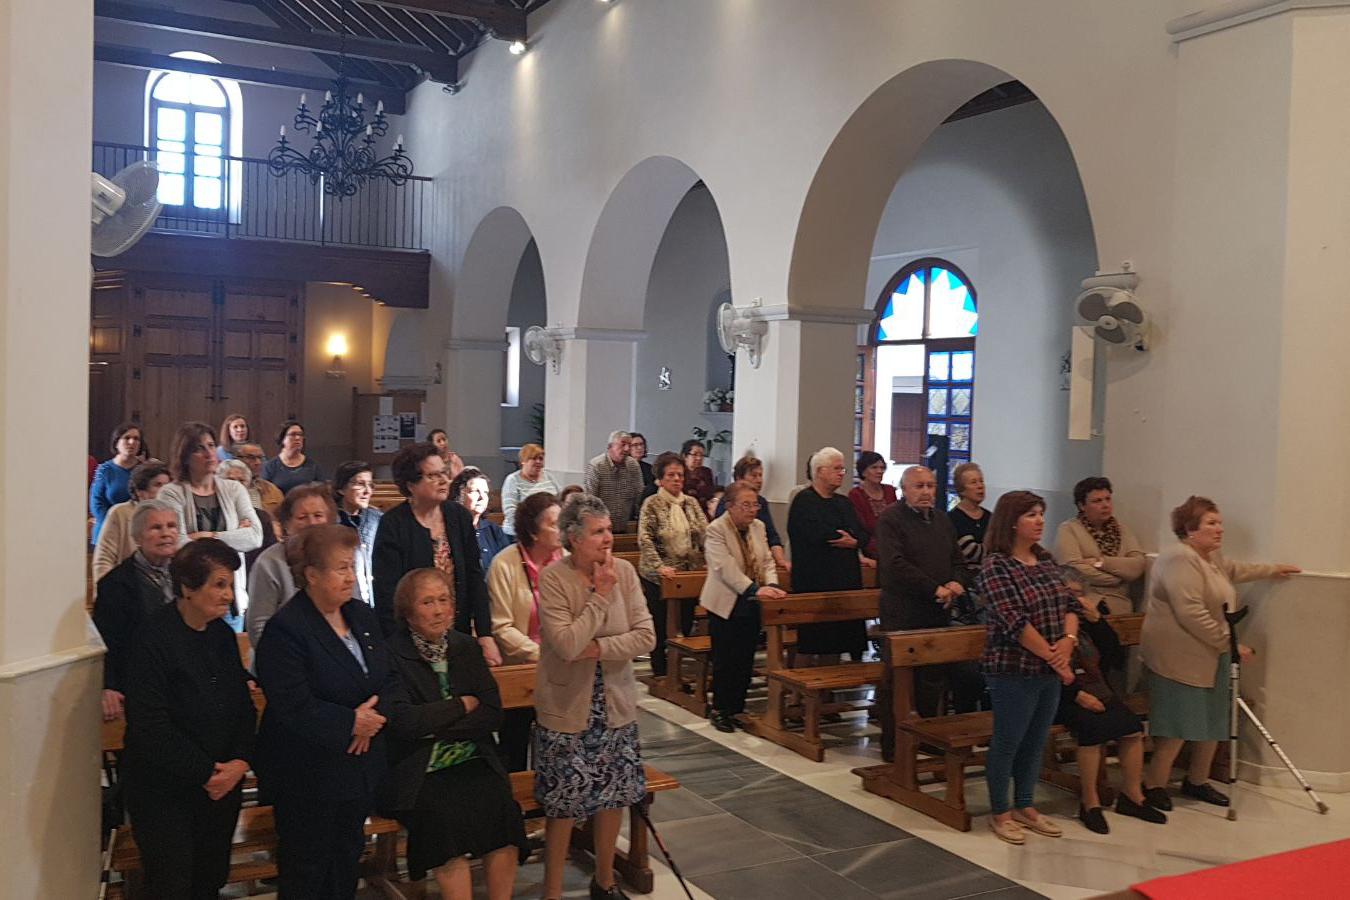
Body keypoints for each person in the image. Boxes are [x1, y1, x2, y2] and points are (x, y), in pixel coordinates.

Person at [254, 525, 396, 899]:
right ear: (312, 575)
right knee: (307, 868)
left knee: (346, 859)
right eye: (340, 568)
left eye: (352, 566)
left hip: (358, 767)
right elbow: (291, 704)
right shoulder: (286, 629)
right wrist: (352, 722)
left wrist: (371, 721)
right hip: (308, 773)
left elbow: (388, 675)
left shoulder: (361, 615)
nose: (350, 576)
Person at [1140, 496, 1299, 810]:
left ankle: (1197, 781)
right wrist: (1229, 642)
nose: (1219, 529)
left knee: (1214, 720)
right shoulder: (1179, 559)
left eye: (1219, 522)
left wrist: (1273, 570)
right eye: (1211, 523)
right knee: (1178, 725)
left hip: (1210, 654)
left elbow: (1235, 570)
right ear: (1190, 529)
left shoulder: (1209, 557)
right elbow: (1191, 613)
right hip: (1177, 656)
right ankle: (1154, 784)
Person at [534, 494, 655, 900]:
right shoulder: (554, 578)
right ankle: (552, 892)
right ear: (573, 538)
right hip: (568, 708)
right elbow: (567, 644)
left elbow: (646, 635)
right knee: (564, 804)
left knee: (613, 796)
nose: (608, 539)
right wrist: (600, 597)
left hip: (615, 703)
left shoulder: (625, 570)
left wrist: (601, 648)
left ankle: (604, 881)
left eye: (608, 530)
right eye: (598, 532)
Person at [381, 568, 527, 898]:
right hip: (419, 770)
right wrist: (463, 704)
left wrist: (435, 726)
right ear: (407, 611)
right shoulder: (392, 654)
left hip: (474, 759)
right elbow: (405, 722)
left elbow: (491, 714)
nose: (438, 610)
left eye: (444, 600)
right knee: (443, 824)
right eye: (427, 602)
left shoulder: (465, 647)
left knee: (502, 810)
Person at [121, 538, 255, 899]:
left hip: (221, 784)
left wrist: (240, 762)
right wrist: (207, 773)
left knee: (209, 879)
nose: (229, 595)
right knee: (172, 884)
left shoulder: (223, 636)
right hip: (165, 788)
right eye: (219, 584)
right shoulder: (153, 638)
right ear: (187, 588)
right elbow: (150, 726)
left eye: (230, 584)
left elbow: (243, 708)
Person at [978, 490, 1080, 845]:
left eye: (1041, 514)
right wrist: (1056, 657)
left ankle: (1025, 804)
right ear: (1012, 521)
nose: (1039, 521)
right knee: (1009, 740)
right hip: (1013, 668)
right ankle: (1001, 811)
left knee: (1036, 741)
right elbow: (1013, 621)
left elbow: (1070, 604)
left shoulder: (1046, 560)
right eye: (1031, 515)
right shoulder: (996, 565)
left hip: (1049, 668)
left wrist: (1068, 642)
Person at [874, 466, 985, 758]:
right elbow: (894, 565)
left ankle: (925, 736)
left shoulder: (941, 520)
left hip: (937, 610)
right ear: (904, 490)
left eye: (931, 486)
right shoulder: (891, 520)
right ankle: (893, 743)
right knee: (897, 678)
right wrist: (933, 588)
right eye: (918, 486)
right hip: (903, 610)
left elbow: (958, 562)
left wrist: (955, 583)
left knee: (933, 677)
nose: (926, 492)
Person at [1056, 569, 1165, 833]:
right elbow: (1046, 671)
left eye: (1080, 594)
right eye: (1069, 595)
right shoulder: (1048, 624)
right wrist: (1078, 696)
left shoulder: (1086, 625)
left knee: (1132, 728)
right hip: (1060, 696)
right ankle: (1089, 801)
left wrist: (1097, 621)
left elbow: (1114, 657)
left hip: (1097, 690)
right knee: (1092, 730)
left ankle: (1132, 795)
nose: (1076, 600)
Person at [373, 443, 499, 665]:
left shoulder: (458, 516)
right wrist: (398, 647)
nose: (444, 481)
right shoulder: (394, 524)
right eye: (433, 475)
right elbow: (387, 593)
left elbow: (473, 577)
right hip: (411, 639)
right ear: (411, 484)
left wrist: (485, 633)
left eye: (444, 472)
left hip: (457, 632)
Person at [701, 481, 784, 732]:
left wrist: (771, 583)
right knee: (726, 659)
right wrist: (755, 589)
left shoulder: (758, 527)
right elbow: (725, 568)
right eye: (745, 505)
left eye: (755, 504)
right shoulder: (716, 529)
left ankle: (737, 707)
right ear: (730, 506)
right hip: (725, 601)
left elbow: (767, 559)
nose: (752, 510)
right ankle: (720, 709)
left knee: (745, 659)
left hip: (753, 602)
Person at [488, 492, 563, 770]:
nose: (562, 530)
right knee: (514, 741)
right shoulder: (505, 563)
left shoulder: (567, 560)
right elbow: (502, 626)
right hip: (522, 666)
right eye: (554, 524)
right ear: (532, 529)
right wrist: (541, 654)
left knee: (557, 742)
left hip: (563, 665)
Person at [157, 422, 262, 618]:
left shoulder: (234, 489)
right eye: (199, 448)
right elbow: (177, 543)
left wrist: (206, 536)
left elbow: (254, 537)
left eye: (212, 445)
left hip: (229, 596)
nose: (209, 453)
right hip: (190, 596)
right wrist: (233, 536)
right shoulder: (171, 493)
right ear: (185, 456)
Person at [92, 499, 180, 723]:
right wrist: (108, 686)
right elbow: (107, 641)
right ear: (137, 537)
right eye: (156, 528)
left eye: (171, 526)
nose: (166, 533)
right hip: (139, 682)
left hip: (181, 676)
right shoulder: (116, 584)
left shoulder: (187, 574)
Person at [786, 447, 867, 664]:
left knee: (836, 642)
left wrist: (855, 541)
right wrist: (847, 537)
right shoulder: (804, 501)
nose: (842, 473)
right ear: (820, 471)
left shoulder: (843, 502)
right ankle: (799, 695)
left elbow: (861, 532)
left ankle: (826, 694)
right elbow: (822, 535)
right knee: (812, 641)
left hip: (844, 582)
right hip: (815, 582)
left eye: (843, 468)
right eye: (837, 468)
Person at [637, 452, 707, 677]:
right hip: (660, 575)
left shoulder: (691, 503)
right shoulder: (652, 503)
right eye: (671, 475)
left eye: (680, 475)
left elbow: (705, 533)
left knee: (684, 623)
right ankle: (660, 669)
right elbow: (645, 539)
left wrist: (707, 560)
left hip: (688, 575)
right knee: (661, 624)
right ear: (661, 478)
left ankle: (677, 666)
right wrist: (660, 567)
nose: (677, 479)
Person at [244, 483, 336, 651]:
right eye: (302, 517)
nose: (312, 523)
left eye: (318, 515)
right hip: (284, 659)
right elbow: (258, 627)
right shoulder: (269, 563)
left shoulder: (338, 556)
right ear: (286, 523)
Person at [1055, 476, 1148, 615]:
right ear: (1082, 506)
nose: (1105, 505)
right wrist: (1118, 578)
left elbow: (1137, 566)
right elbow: (1074, 569)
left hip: (1120, 605)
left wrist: (1101, 562)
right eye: (1097, 501)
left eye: (1108, 499)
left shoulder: (1122, 530)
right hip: (1085, 603)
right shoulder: (1069, 529)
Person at [92, 459, 171, 583]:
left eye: (167, 486)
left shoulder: (171, 515)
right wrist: (108, 592)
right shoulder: (120, 513)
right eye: (158, 485)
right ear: (140, 491)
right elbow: (104, 559)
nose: (165, 491)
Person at [715, 455, 791, 575]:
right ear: (739, 478)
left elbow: (772, 536)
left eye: (760, 475)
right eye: (754, 475)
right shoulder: (726, 502)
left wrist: (781, 560)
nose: (759, 480)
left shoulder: (762, 504)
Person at [334, 460, 383, 606]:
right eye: (360, 484)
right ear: (341, 488)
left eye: (370, 485)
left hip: (373, 596)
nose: (367, 491)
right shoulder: (330, 521)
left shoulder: (377, 519)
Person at [452, 466, 514, 571]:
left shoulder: (494, 531)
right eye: (475, 491)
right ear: (460, 494)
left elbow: (508, 567)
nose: (482, 497)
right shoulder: (451, 529)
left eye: (485, 493)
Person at [91, 422, 144, 544]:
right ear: (116, 442)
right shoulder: (103, 470)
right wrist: (115, 526)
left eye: (136, 439)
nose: (132, 442)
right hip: (107, 533)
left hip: (136, 533)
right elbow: (97, 503)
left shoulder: (145, 470)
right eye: (127, 438)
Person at [583, 430, 644, 533]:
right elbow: (590, 499)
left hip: (625, 525)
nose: (627, 449)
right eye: (623, 444)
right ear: (610, 446)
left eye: (629, 445)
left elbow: (639, 495)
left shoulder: (633, 465)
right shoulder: (596, 465)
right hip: (600, 527)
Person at [500, 444, 560, 537]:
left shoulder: (549, 477)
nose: (538, 462)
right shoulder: (513, 480)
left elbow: (560, 501)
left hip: (547, 532)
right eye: (534, 458)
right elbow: (510, 511)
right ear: (523, 461)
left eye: (540, 459)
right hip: (518, 534)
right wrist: (531, 531)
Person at [849, 450, 898, 558]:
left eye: (882, 468)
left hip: (894, 545)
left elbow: (898, 519)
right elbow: (860, 527)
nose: (879, 471)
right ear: (863, 472)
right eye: (874, 467)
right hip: (869, 548)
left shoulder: (889, 490)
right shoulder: (856, 495)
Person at [949, 462, 990, 579]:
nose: (980, 486)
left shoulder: (990, 516)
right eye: (974, 482)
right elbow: (973, 553)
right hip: (968, 579)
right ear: (961, 490)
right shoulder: (953, 519)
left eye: (981, 481)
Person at [262, 420, 325, 495]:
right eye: (293, 434)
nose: (298, 438)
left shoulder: (313, 465)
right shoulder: (270, 467)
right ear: (282, 439)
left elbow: (322, 492)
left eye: (300, 434)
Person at [234, 441, 284, 516]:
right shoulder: (228, 488)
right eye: (251, 458)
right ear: (237, 459)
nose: (258, 462)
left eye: (260, 458)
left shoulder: (272, 490)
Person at [681, 439, 718, 515]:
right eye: (695, 454)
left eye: (701, 455)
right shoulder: (679, 472)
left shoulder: (707, 472)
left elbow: (711, 494)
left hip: (703, 512)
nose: (699, 458)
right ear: (685, 456)